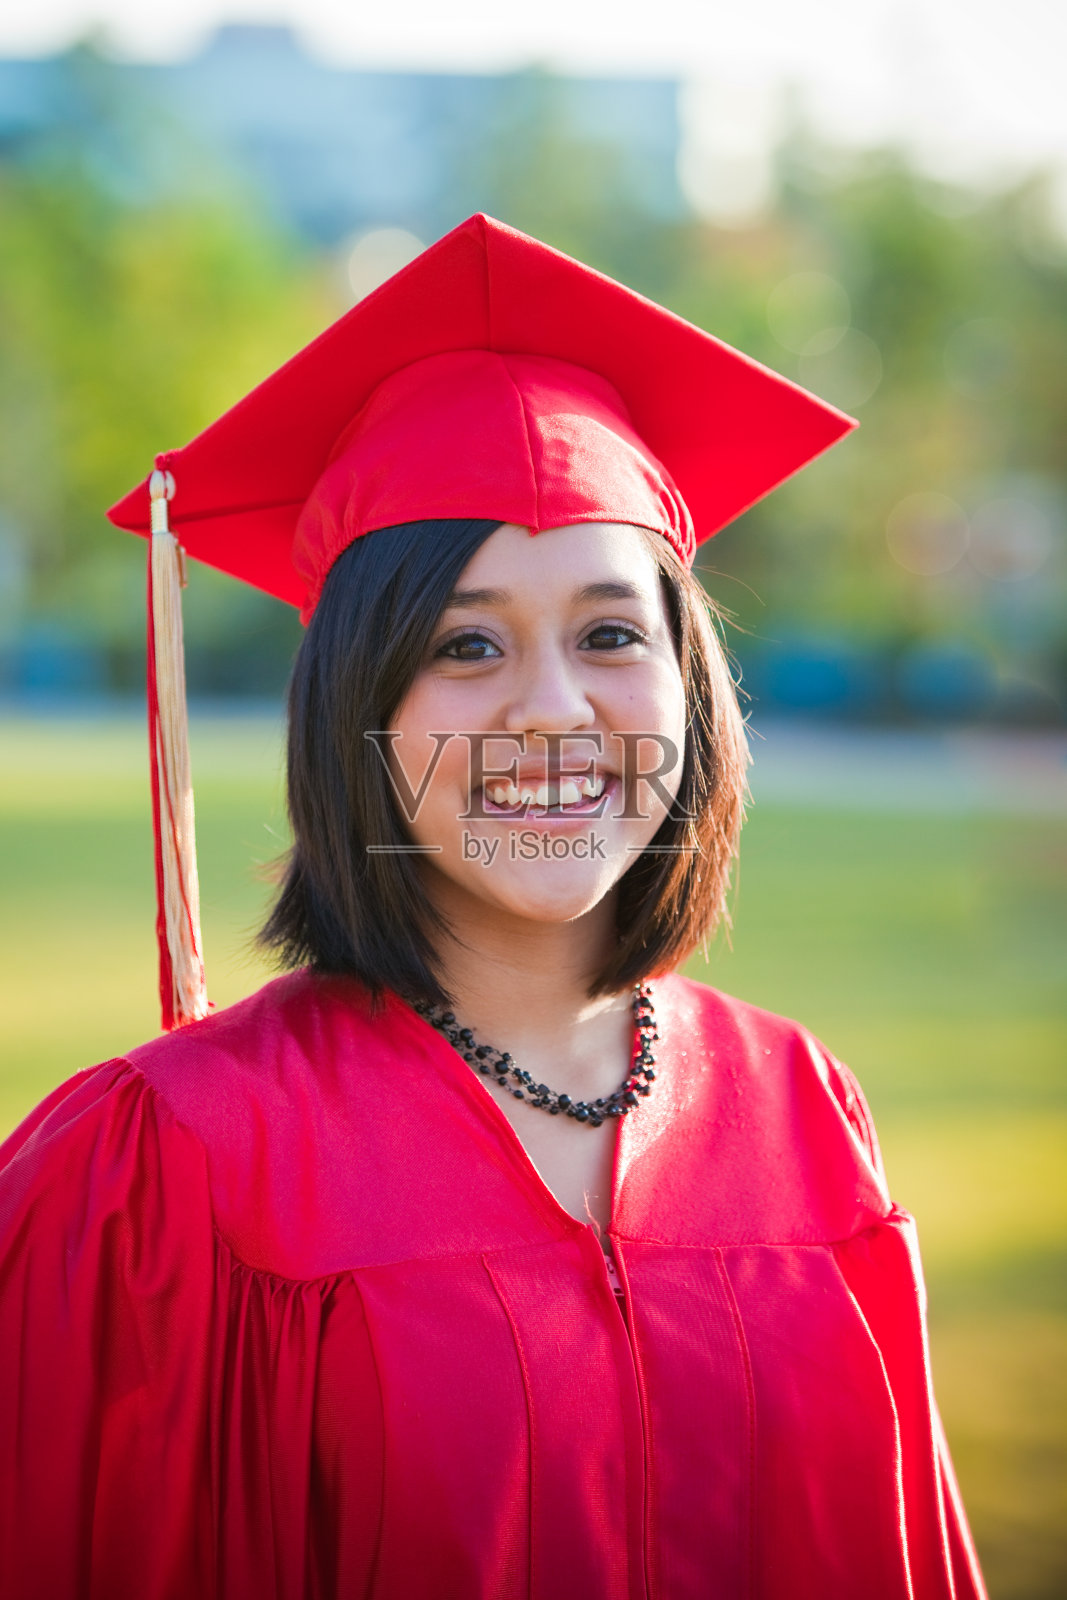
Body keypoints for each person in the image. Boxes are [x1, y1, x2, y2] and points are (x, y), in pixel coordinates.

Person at [0, 214, 986, 1600]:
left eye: (611, 633)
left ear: (692, 689)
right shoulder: (171, 1164)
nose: (552, 711)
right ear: (355, 707)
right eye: (466, 644)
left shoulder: (803, 1111)